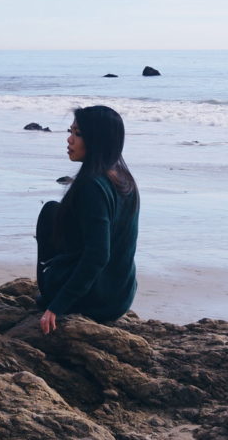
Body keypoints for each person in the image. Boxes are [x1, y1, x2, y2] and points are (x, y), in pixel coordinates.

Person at [34, 105, 139, 334]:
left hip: (93, 303)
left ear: (97, 140)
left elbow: (98, 254)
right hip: (120, 298)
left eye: (78, 134)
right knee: (57, 212)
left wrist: (57, 306)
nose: (69, 140)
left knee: (50, 212)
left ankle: (50, 285)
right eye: (70, 131)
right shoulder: (125, 180)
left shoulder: (91, 185)